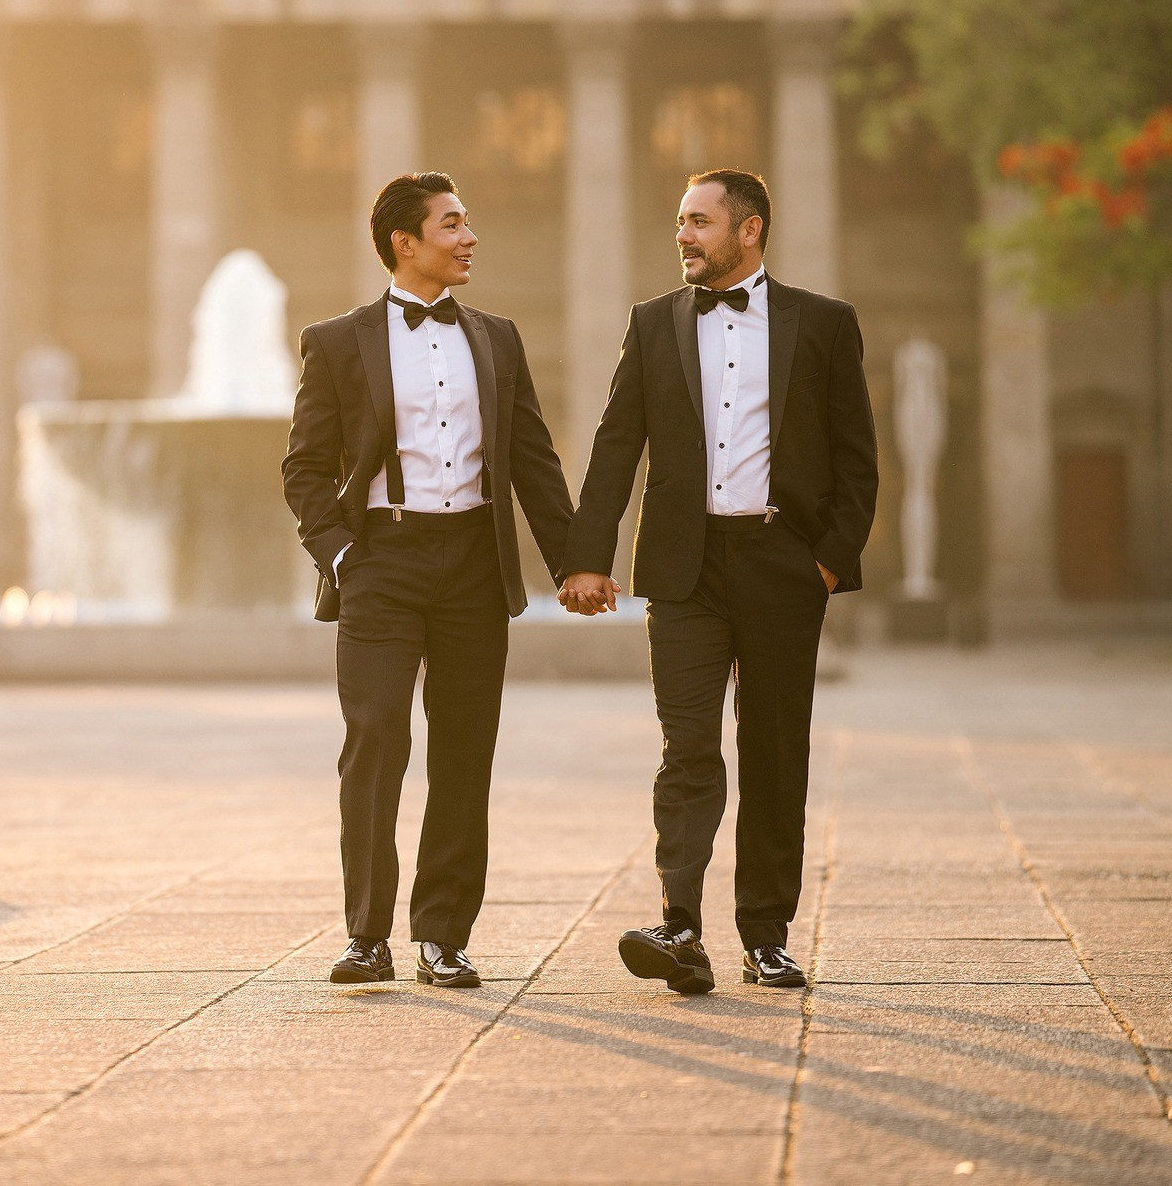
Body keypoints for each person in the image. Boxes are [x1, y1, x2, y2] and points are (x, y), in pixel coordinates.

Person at [559, 169, 877, 993]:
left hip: (783, 566)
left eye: (699, 222)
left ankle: (765, 936)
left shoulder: (824, 324)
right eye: (678, 223)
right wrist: (587, 555)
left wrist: (826, 562)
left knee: (775, 751)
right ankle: (681, 927)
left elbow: (857, 460)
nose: (684, 237)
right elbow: (614, 445)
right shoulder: (654, 323)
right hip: (684, 570)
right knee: (688, 748)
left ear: (751, 230)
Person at [283, 171, 574, 988]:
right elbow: (304, 469)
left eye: (468, 222)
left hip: (475, 569)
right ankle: (366, 934)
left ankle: (443, 934)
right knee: (375, 740)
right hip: (383, 561)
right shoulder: (337, 342)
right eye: (452, 224)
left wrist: (574, 561)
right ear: (405, 243)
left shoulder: (498, 337)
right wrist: (342, 554)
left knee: (463, 752)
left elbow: (534, 462)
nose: (469, 237)